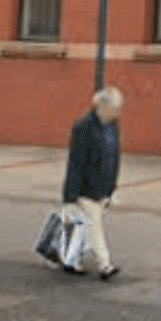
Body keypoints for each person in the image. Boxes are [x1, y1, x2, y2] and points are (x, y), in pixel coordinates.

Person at [61, 86, 123, 280]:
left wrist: (112, 188)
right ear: (101, 106)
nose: (117, 112)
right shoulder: (84, 127)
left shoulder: (113, 125)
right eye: (114, 108)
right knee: (95, 227)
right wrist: (69, 198)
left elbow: (114, 156)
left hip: (103, 187)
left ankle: (71, 261)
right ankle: (105, 265)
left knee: (84, 227)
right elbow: (76, 162)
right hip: (86, 188)